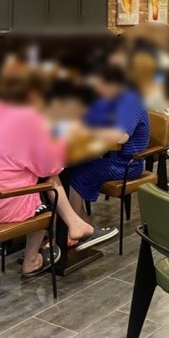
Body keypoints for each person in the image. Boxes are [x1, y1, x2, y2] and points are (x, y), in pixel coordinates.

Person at [0, 69, 114, 278]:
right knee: (46, 188)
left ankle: (75, 223)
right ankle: (32, 260)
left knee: (42, 177)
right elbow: (49, 167)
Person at [68, 64, 150, 221]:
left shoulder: (131, 102)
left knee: (77, 175)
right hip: (112, 158)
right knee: (69, 170)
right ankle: (82, 224)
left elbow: (121, 137)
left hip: (128, 165)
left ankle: (76, 226)